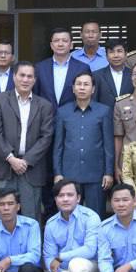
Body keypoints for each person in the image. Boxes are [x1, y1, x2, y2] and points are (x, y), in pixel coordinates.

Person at [0, 61, 55, 220]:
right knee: (4, 214)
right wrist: (11, 159)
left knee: (31, 217)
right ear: (14, 77)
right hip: (5, 166)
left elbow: (46, 137)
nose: (25, 80)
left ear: (35, 80)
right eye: (22, 75)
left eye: (29, 76)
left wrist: (26, 161)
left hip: (31, 168)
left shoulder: (44, 105)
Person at [35, 180, 103, 272]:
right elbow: (48, 256)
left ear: (78, 198)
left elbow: (90, 249)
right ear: (55, 199)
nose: (65, 199)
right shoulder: (51, 224)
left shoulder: (91, 217)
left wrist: (61, 257)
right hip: (64, 271)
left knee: (76, 263)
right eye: (61, 195)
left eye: (70, 195)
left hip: (89, 269)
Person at [52, 73, 114, 214]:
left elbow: (108, 145)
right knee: (69, 215)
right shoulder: (63, 112)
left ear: (93, 89)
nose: (82, 88)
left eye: (86, 84)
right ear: (73, 88)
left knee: (96, 215)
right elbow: (58, 146)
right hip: (69, 174)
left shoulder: (103, 111)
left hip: (96, 174)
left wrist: (109, 172)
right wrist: (58, 173)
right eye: (78, 84)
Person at [35, 27, 90, 110]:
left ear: (71, 45)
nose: (60, 44)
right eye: (56, 41)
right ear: (51, 45)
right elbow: (35, 95)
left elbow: (88, 96)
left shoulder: (82, 68)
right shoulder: (39, 68)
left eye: (65, 41)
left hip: (73, 115)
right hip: (45, 115)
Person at [92, 39, 133, 107]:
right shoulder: (97, 75)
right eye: (111, 52)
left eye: (119, 51)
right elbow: (94, 102)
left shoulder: (133, 75)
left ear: (126, 54)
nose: (116, 55)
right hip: (105, 113)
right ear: (106, 56)